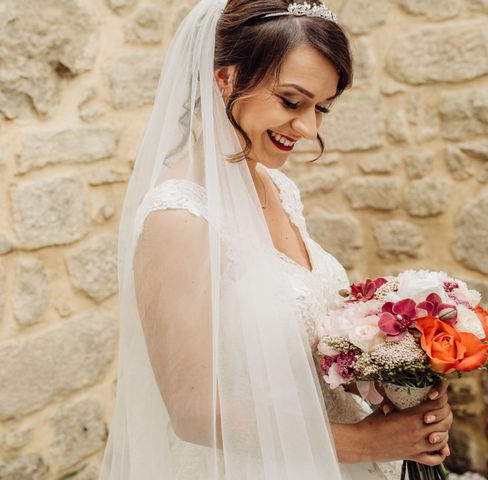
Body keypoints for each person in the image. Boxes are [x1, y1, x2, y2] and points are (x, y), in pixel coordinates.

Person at [99, 1, 454, 478]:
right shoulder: (180, 219)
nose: (308, 129)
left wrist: (396, 390)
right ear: (224, 78)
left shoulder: (278, 188)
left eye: (321, 108)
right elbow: (192, 411)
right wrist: (365, 441)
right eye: (292, 102)